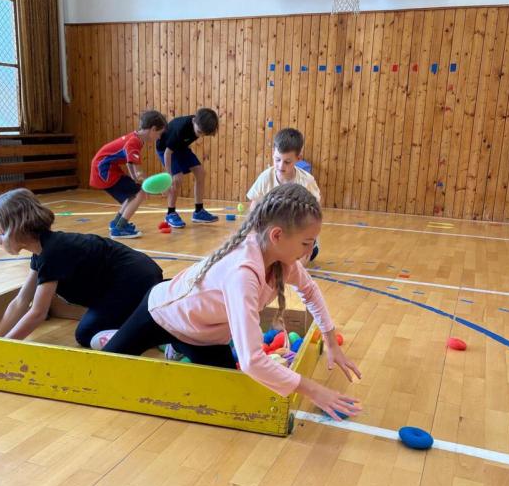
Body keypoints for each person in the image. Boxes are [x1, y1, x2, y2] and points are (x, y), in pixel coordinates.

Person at [104, 183, 361, 420]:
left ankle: (176, 346)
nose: (310, 250)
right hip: (162, 315)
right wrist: (314, 391)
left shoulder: (283, 261)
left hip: (204, 335)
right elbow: (252, 360)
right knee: (105, 370)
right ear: (277, 235)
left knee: (231, 400)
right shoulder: (242, 273)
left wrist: (330, 340)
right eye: (306, 242)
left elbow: (310, 291)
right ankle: (114, 335)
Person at [0, 188, 163, 348]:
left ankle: (156, 332)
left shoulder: (52, 252)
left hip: (137, 279)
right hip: (129, 280)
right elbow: (21, 301)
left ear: (17, 228)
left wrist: (2, 347)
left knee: (87, 333)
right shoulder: (42, 251)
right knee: (92, 328)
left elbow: (38, 313)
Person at [90, 110, 167, 238]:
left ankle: (117, 223)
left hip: (106, 168)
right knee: (139, 193)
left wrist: (134, 180)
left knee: (133, 193)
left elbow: (129, 162)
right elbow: (139, 172)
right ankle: (119, 229)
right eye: (159, 134)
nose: (159, 137)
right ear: (153, 129)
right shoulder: (134, 142)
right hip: (103, 170)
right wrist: (156, 187)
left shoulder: (137, 139)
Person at [247, 127, 321, 261]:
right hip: (275, 236)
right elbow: (254, 206)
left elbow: (315, 214)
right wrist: (253, 234)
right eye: (277, 160)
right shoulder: (266, 178)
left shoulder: (306, 181)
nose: (281, 166)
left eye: (287, 162)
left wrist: (308, 241)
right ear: (273, 153)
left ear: (298, 158)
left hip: (298, 235)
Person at [157, 107, 220, 228]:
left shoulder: (200, 124)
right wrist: (168, 176)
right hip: (165, 149)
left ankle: (199, 212)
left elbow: (185, 142)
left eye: (204, 134)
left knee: (200, 172)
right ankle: (170, 213)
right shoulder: (180, 128)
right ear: (194, 121)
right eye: (199, 132)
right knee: (177, 178)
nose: (200, 135)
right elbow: (167, 153)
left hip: (181, 147)